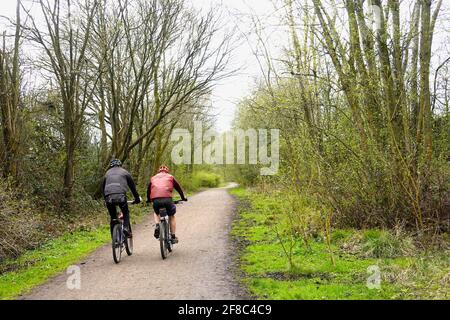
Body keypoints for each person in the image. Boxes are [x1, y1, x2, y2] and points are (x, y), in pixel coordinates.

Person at [147, 165, 187, 244]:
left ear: (159, 171)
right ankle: (173, 236)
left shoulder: (153, 178)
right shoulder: (171, 177)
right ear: (167, 171)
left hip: (156, 200)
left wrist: (148, 199)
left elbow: (148, 191)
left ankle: (157, 225)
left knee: (156, 212)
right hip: (167, 199)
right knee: (171, 216)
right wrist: (183, 197)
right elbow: (178, 188)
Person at [102, 159, 141, 238]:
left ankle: (115, 240)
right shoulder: (125, 172)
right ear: (120, 165)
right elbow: (132, 187)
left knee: (113, 217)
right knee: (125, 212)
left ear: (111, 166)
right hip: (121, 197)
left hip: (108, 197)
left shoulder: (107, 174)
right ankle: (126, 228)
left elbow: (103, 188)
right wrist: (137, 198)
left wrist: (105, 199)